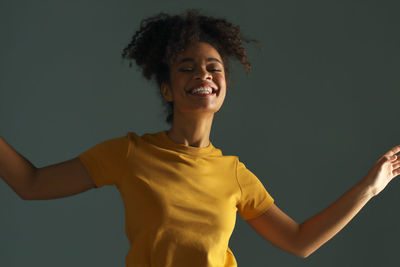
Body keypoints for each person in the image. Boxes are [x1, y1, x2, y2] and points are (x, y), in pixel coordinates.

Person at [0, 8, 399, 267]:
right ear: (167, 90)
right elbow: (31, 184)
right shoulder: (129, 154)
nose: (203, 75)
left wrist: (370, 186)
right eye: (187, 68)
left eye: (213, 68)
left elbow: (299, 241)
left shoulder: (234, 175)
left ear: (223, 86)